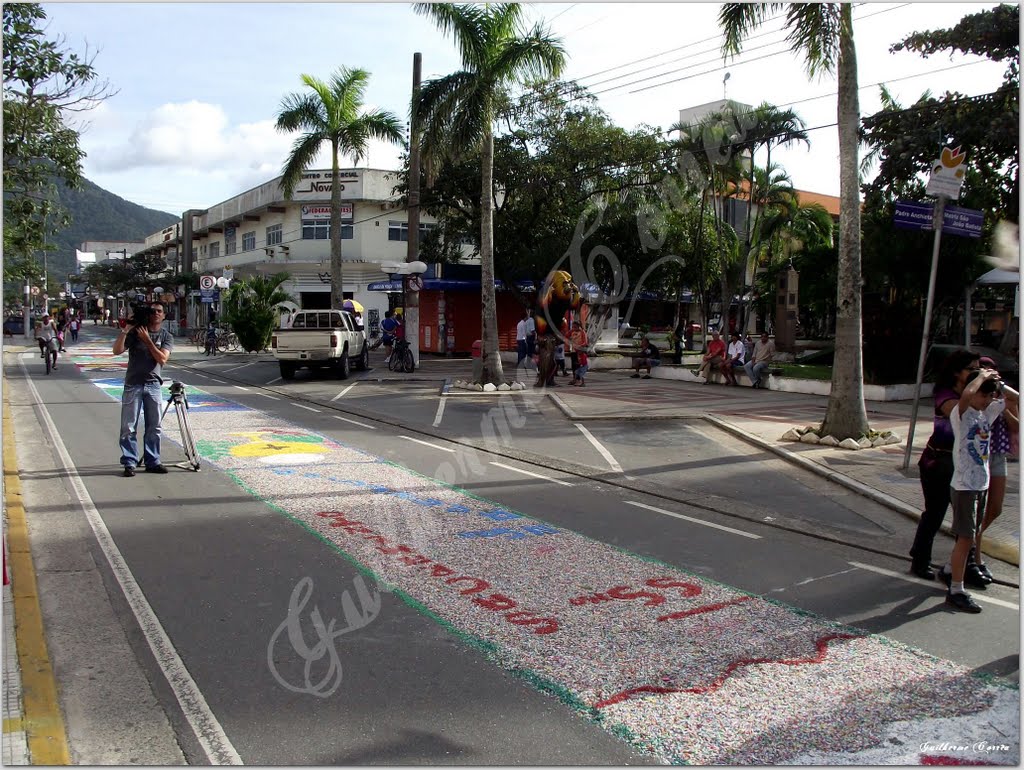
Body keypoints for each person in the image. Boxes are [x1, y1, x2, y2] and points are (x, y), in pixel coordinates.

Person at [937, 369, 1018, 613]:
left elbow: (1015, 399)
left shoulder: (986, 414)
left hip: (981, 483)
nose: (985, 400)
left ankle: (951, 570)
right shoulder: (961, 415)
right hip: (964, 486)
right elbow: (966, 396)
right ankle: (956, 590)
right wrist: (980, 378)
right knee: (966, 538)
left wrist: (999, 386)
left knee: (969, 536)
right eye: (982, 396)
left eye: (988, 397)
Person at [908, 349, 980, 580]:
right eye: (971, 368)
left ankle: (962, 567)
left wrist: (991, 381)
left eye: (978, 368)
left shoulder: (980, 392)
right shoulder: (944, 393)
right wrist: (977, 384)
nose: (976, 372)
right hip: (938, 462)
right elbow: (956, 412)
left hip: (966, 464)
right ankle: (920, 559)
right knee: (935, 513)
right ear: (956, 372)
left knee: (966, 518)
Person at [113, 302, 173, 476]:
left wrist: (148, 341)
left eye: (159, 311)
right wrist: (126, 329)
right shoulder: (135, 333)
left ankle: (153, 461)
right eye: (152, 311)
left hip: (153, 385)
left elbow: (162, 359)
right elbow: (117, 350)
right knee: (128, 427)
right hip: (133, 384)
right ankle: (130, 462)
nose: (155, 313)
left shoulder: (166, 336)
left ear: (163, 316)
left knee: (154, 426)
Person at [973, 356, 1019, 582]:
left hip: (998, 455)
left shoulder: (1003, 397)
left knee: (995, 508)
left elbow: (1017, 425)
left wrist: (1001, 408)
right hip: (978, 456)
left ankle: (972, 541)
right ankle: (976, 555)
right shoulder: (974, 396)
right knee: (978, 510)